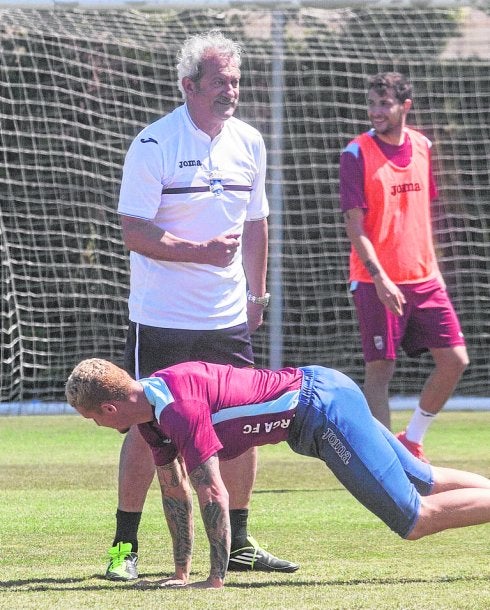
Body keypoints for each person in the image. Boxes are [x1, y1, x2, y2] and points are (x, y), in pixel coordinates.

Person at [110, 29, 297, 580]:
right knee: (149, 433)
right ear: (189, 85)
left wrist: (256, 293)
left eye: (235, 82)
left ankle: (238, 541)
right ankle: (124, 551)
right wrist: (202, 252)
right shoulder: (154, 144)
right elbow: (133, 231)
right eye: (220, 82)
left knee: (242, 426)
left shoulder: (250, 141)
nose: (230, 91)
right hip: (162, 318)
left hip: (227, 320)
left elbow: (257, 224)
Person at [66, 358, 490, 589]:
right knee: (422, 479)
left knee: (414, 518)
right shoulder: (150, 417)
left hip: (324, 411)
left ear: (109, 408)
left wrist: (214, 579)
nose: (97, 427)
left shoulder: (179, 408)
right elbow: (175, 494)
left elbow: (212, 493)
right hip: (324, 392)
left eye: (91, 419)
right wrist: (181, 572)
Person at [339, 71, 469, 462]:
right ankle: (385, 463)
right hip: (375, 279)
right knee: (380, 370)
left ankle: (411, 439)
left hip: (425, 279)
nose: (376, 112)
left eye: (385, 104)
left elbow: (420, 214)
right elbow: (354, 224)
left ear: (404, 107)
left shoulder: (424, 146)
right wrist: (379, 277)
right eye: (372, 104)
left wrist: (435, 268)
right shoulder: (356, 153)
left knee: (455, 360)